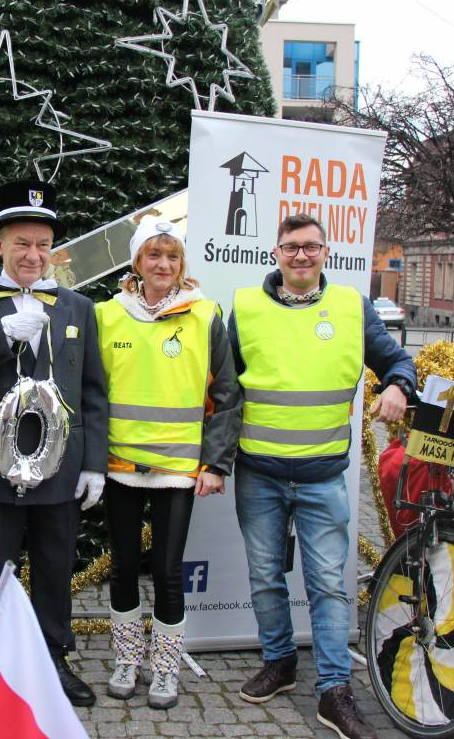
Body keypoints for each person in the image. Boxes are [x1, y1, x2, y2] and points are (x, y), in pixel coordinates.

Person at [230, 213, 415, 739]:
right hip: (258, 473)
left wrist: (399, 384)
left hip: (323, 477)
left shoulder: (352, 307)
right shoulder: (245, 308)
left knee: (330, 585)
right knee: (266, 576)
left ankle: (335, 691)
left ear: (326, 252)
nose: (301, 256)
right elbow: (222, 386)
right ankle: (281, 661)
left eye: (311, 247)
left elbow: (397, 359)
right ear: (276, 253)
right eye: (291, 247)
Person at [0, 180, 108, 707]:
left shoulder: (78, 306)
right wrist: (1, 335)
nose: (33, 255)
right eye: (21, 243)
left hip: (62, 466)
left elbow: (94, 390)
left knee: (56, 568)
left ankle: (54, 659)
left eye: (42, 244)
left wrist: (94, 464)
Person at [95, 220, 240, 709]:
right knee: (121, 568)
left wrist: (216, 463)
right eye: (154, 256)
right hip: (119, 464)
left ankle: (164, 670)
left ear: (183, 265)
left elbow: (226, 393)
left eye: (173, 257)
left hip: (178, 467)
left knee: (167, 570)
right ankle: (127, 659)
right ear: (137, 262)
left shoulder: (204, 314)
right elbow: (91, 394)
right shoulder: (107, 316)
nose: (163, 265)